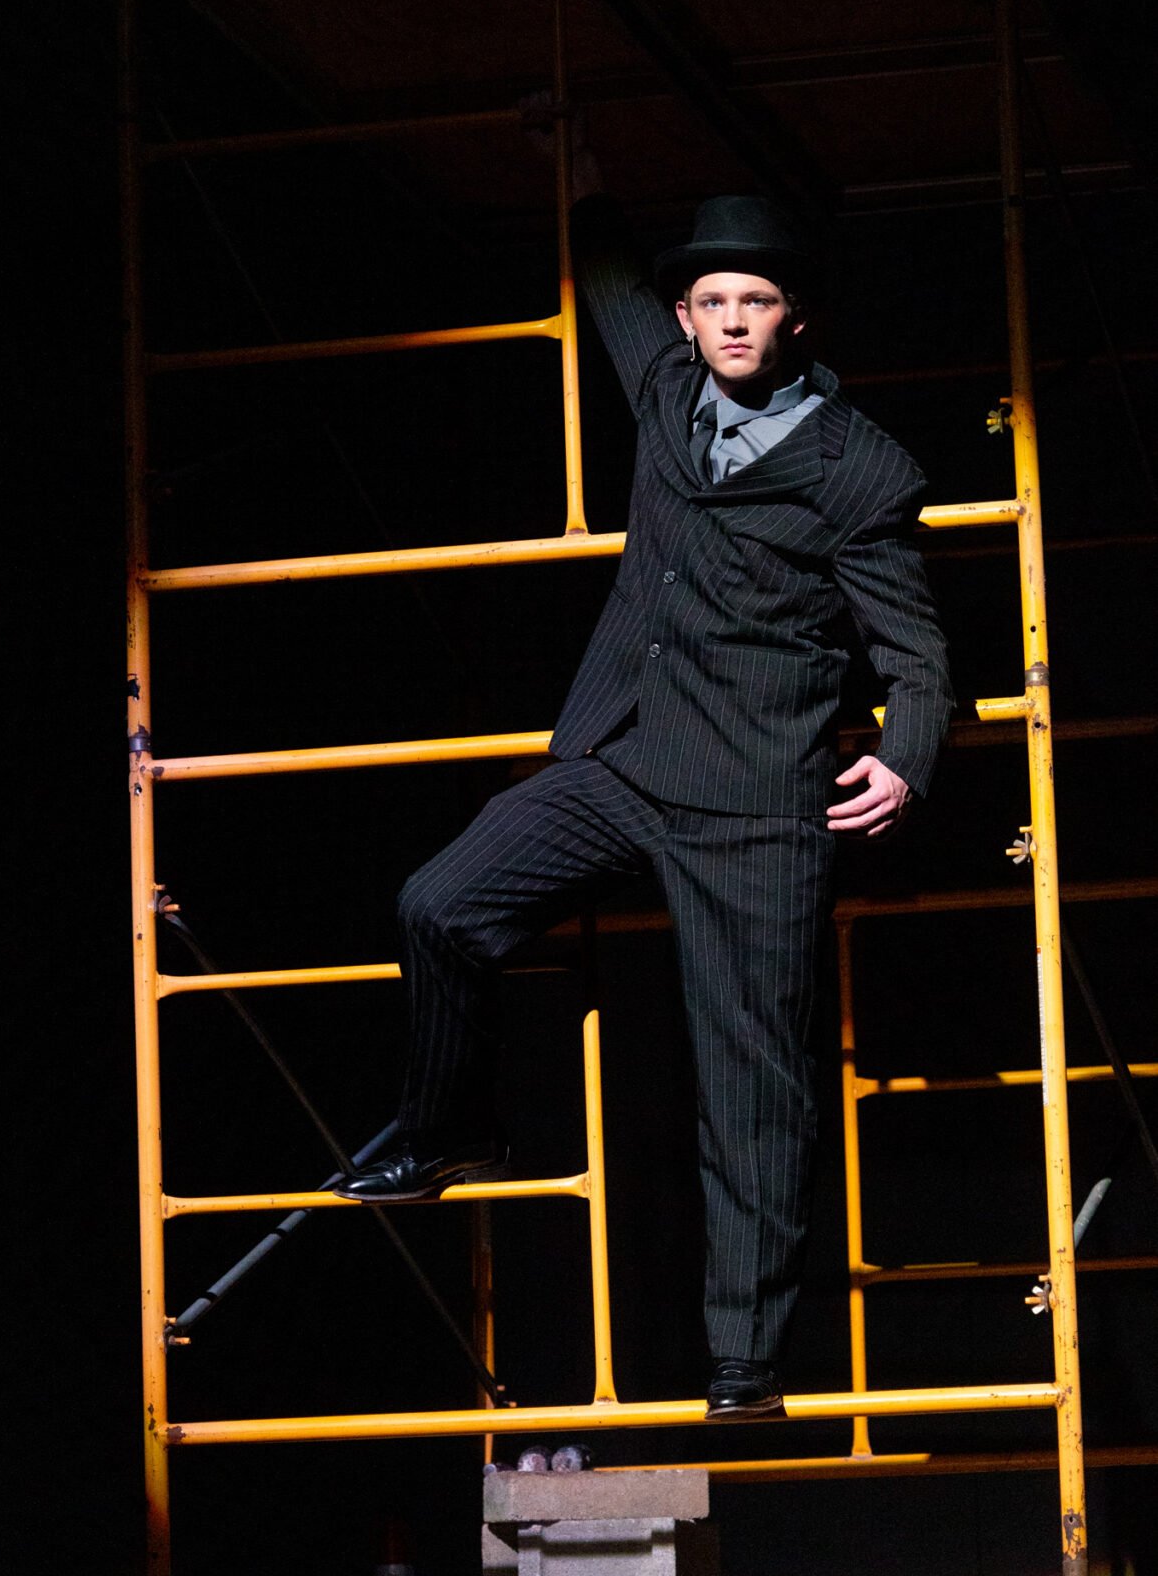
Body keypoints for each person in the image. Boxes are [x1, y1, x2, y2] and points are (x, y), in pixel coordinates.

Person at [332, 103, 953, 1420]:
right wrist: (583, 178)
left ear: (792, 320)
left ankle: (746, 1365)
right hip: (624, 755)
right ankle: (452, 1127)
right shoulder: (665, 386)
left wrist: (903, 759)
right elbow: (610, 284)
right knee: (439, 903)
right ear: (689, 320)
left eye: (755, 301)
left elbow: (914, 654)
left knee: (750, 1091)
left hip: (756, 806)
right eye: (711, 299)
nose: (730, 320)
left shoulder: (855, 471)